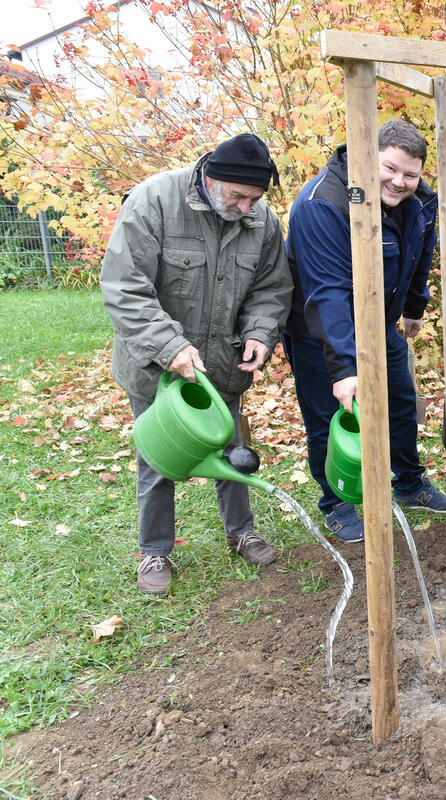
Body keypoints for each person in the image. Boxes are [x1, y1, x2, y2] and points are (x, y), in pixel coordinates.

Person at [100, 133, 293, 596]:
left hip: (222, 362)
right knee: (159, 457)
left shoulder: (260, 218)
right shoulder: (155, 201)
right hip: (154, 364)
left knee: (234, 450)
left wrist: (259, 333)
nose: (247, 208)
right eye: (238, 197)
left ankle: (241, 531)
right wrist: (170, 346)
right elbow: (125, 286)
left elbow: (271, 287)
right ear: (210, 178)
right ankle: (154, 549)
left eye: (256, 199)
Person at [284, 119, 446, 544]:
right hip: (319, 332)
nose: (398, 181)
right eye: (389, 168)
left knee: (400, 402)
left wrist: (414, 306)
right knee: (333, 416)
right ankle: (336, 503)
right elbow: (327, 293)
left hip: (379, 324)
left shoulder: (419, 201)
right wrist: (343, 367)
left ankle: (408, 482)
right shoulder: (325, 204)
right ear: (365, 157)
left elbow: (418, 252)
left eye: (409, 174)